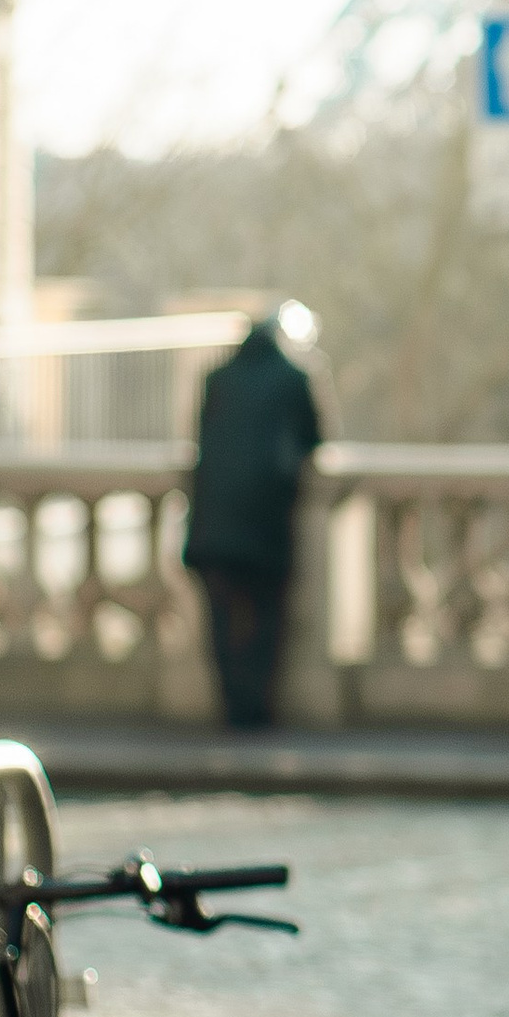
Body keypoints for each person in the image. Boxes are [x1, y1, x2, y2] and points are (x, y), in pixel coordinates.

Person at [183, 311, 323, 731]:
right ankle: (257, 710)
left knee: (222, 622)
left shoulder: (217, 378)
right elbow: (314, 437)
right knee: (266, 620)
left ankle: (232, 708)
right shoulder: (293, 379)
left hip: (213, 524)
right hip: (265, 522)